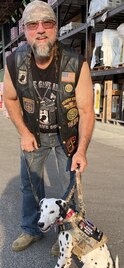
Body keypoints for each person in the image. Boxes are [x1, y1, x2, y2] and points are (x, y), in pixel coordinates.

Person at [3, 0, 95, 253]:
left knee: (70, 186)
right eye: (33, 24)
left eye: (48, 23)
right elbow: (10, 98)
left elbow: (87, 111)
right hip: (34, 134)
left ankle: (68, 234)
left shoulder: (76, 63)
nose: (40, 29)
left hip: (68, 135)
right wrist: (23, 132)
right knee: (29, 184)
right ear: (25, 30)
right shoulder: (14, 62)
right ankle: (32, 229)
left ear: (56, 27)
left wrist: (81, 151)